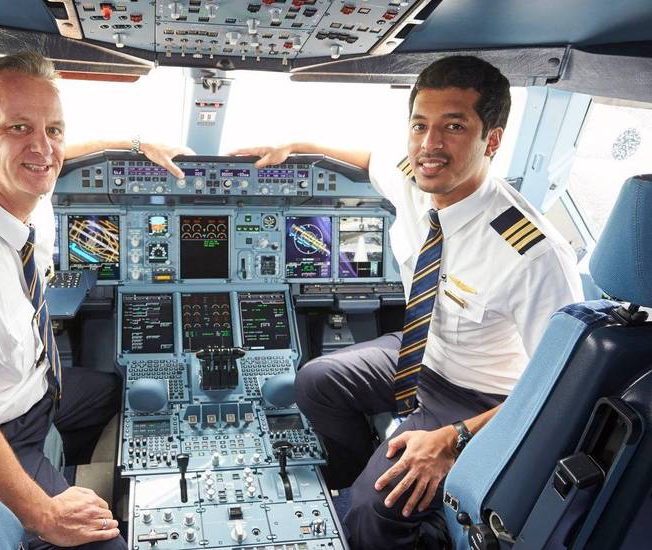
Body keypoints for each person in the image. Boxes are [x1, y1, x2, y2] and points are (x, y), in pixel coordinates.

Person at [230, 55, 583, 549]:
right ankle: (353, 479)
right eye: (420, 125)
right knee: (316, 381)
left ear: (493, 140)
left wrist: (454, 439)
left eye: (454, 127)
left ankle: (402, 519)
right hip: (421, 354)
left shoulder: (533, 255)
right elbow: (368, 157)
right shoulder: (414, 178)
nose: (429, 145)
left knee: (375, 510)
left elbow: (561, 390)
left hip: (479, 397)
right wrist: (298, 145)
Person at [0, 51, 192, 549]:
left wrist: (133, 143)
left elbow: (41, 152)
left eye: (55, 129)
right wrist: (46, 513)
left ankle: (77, 473)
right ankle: (48, 501)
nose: (42, 149)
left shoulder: (22, 193)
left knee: (119, 391)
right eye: (18, 127)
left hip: (37, 389)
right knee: (102, 545)